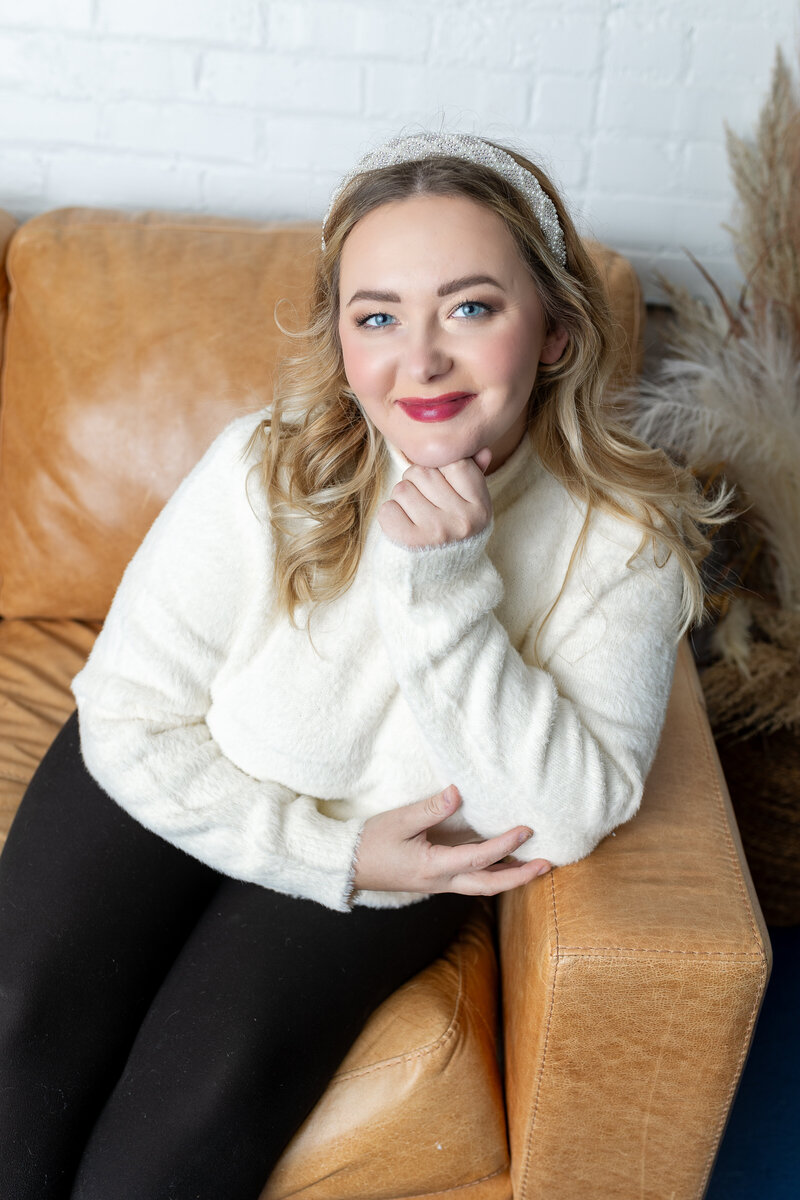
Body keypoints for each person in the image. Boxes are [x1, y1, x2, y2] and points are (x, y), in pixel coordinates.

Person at [0, 131, 727, 1200]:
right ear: (340, 340)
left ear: (559, 332)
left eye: (469, 308)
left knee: (178, 1133)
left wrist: (443, 590)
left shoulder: (626, 544)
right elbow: (130, 714)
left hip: (400, 843)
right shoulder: (265, 459)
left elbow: (565, 814)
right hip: (191, 766)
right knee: (13, 1024)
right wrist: (320, 852)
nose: (418, 359)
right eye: (375, 316)